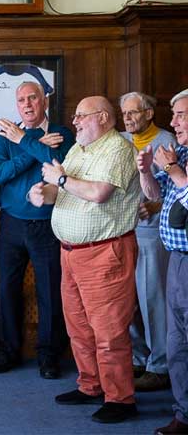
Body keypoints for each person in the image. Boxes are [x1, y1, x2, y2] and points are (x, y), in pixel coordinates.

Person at [29, 96, 141, 424]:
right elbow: (63, 192)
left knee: (108, 331)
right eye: (75, 116)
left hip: (105, 252)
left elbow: (98, 193)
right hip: (70, 252)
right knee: (78, 327)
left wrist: (60, 180)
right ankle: (90, 384)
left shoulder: (118, 149)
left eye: (81, 116)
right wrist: (42, 193)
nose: (74, 121)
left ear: (103, 118)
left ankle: (120, 398)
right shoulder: (79, 148)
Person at [0, 81, 74, 379]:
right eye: (21, 100)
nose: (27, 105)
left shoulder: (61, 134)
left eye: (32, 98)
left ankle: (49, 357)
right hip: (11, 223)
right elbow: (0, 174)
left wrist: (24, 139)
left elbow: (59, 163)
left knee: (50, 291)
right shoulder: (5, 135)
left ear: (44, 101)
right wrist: (32, 147)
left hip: (48, 225)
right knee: (7, 289)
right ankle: (6, 353)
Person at [137, 88, 188, 435]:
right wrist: (145, 171)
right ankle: (184, 414)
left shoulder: (176, 158)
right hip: (177, 259)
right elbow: (156, 196)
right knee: (177, 342)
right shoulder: (181, 150)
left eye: (181, 115)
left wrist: (171, 168)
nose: (174, 122)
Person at [119, 92, 175, 392]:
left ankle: (160, 365)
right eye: (124, 113)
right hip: (120, 231)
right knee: (126, 301)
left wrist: (155, 206)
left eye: (133, 112)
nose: (127, 118)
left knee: (152, 299)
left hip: (152, 233)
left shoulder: (168, 140)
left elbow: (180, 189)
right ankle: (138, 358)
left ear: (150, 113)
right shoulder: (119, 141)